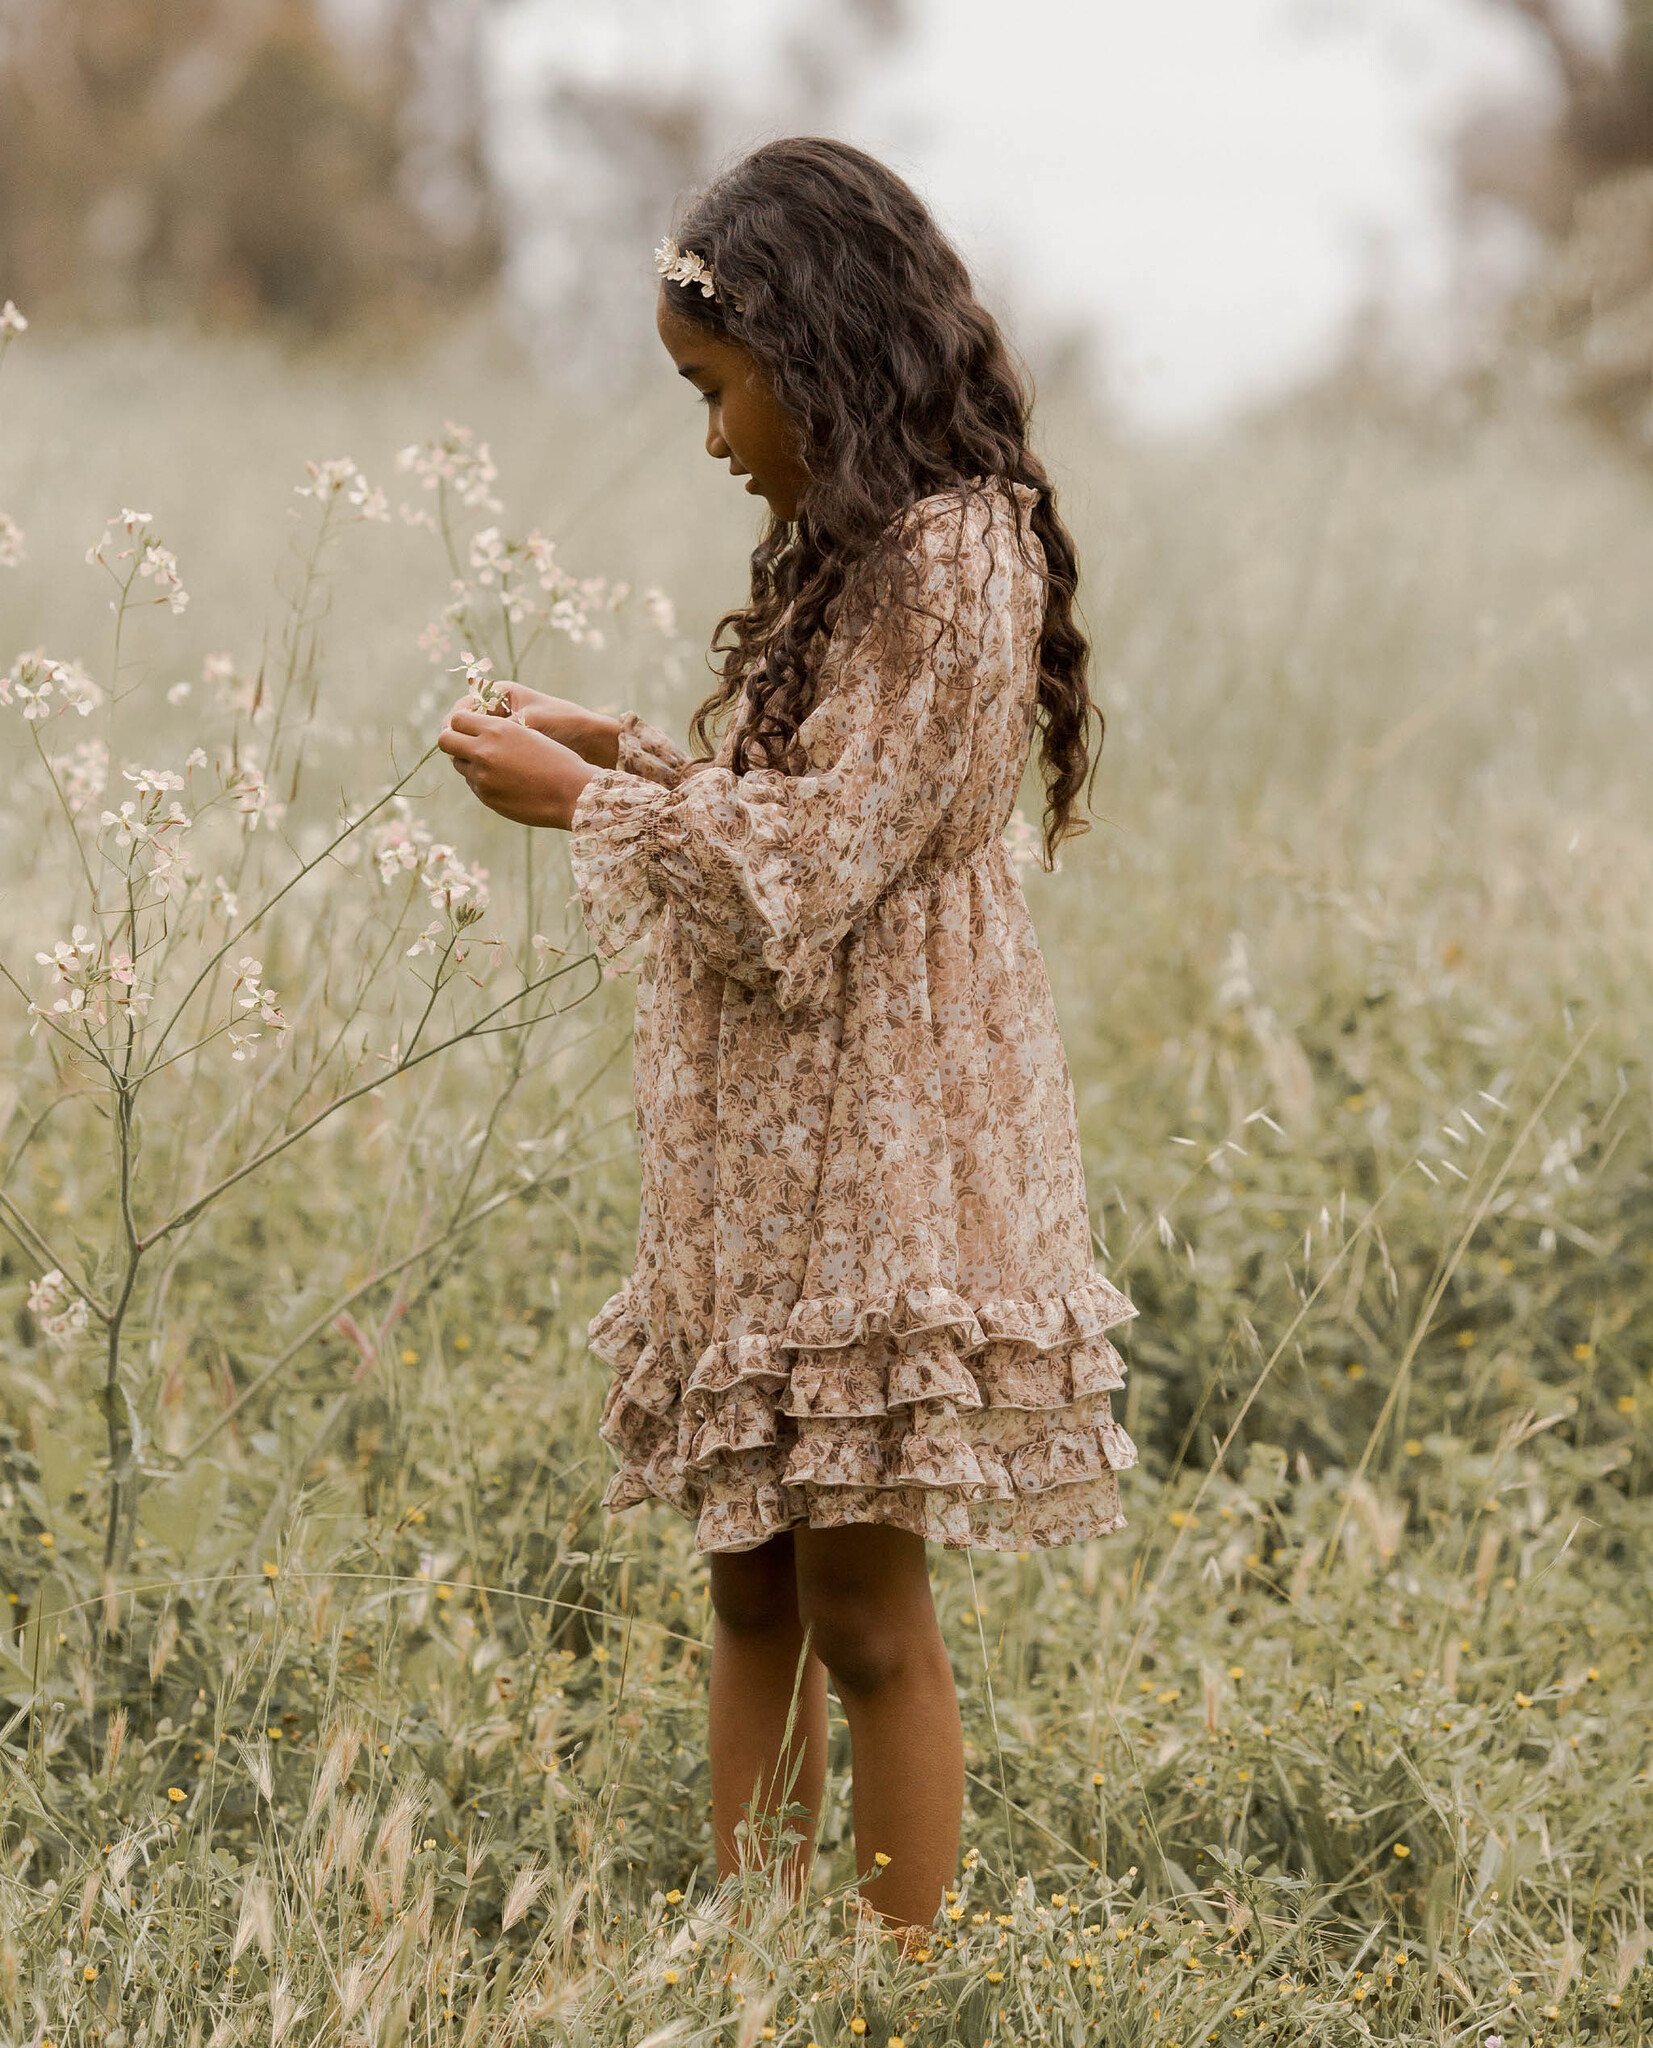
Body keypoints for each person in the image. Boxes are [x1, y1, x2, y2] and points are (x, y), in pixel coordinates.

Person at [438, 136, 1138, 1942]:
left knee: (860, 1606)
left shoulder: (953, 557)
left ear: (809, 350)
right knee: (745, 1586)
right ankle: (747, 1955)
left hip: (884, 1131)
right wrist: (631, 760)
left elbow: (820, 866)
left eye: (712, 387)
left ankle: (896, 1980)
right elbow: (804, 817)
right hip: (769, 1128)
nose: (708, 435)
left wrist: (590, 816)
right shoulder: (847, 546)